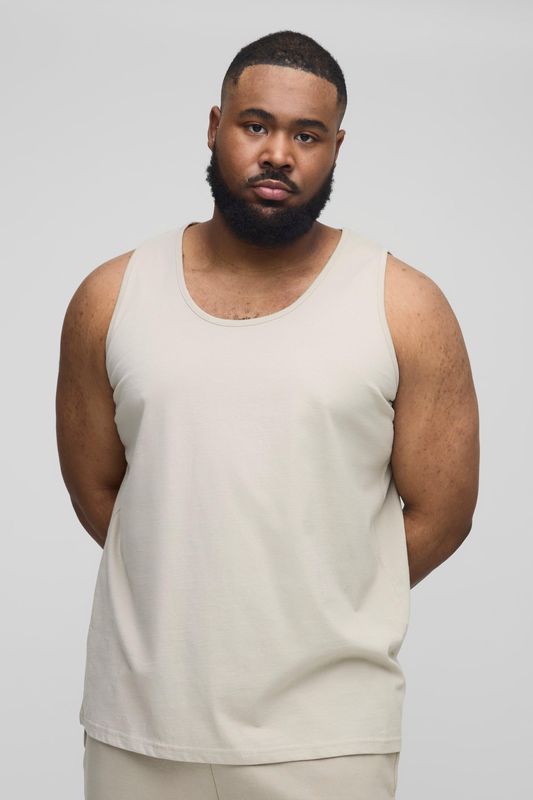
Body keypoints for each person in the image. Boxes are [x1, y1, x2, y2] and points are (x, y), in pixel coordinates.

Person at [55, 29, 480, 800]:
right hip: (139, 724)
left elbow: (443, 514)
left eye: (306, 135)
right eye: (256, 125)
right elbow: (98, 492)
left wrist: (316, 599)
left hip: (327, 737)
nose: (278, 154)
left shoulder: (404, 305)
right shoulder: (112, 297)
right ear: (214, 127)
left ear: (336, 148)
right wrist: (193, 582)